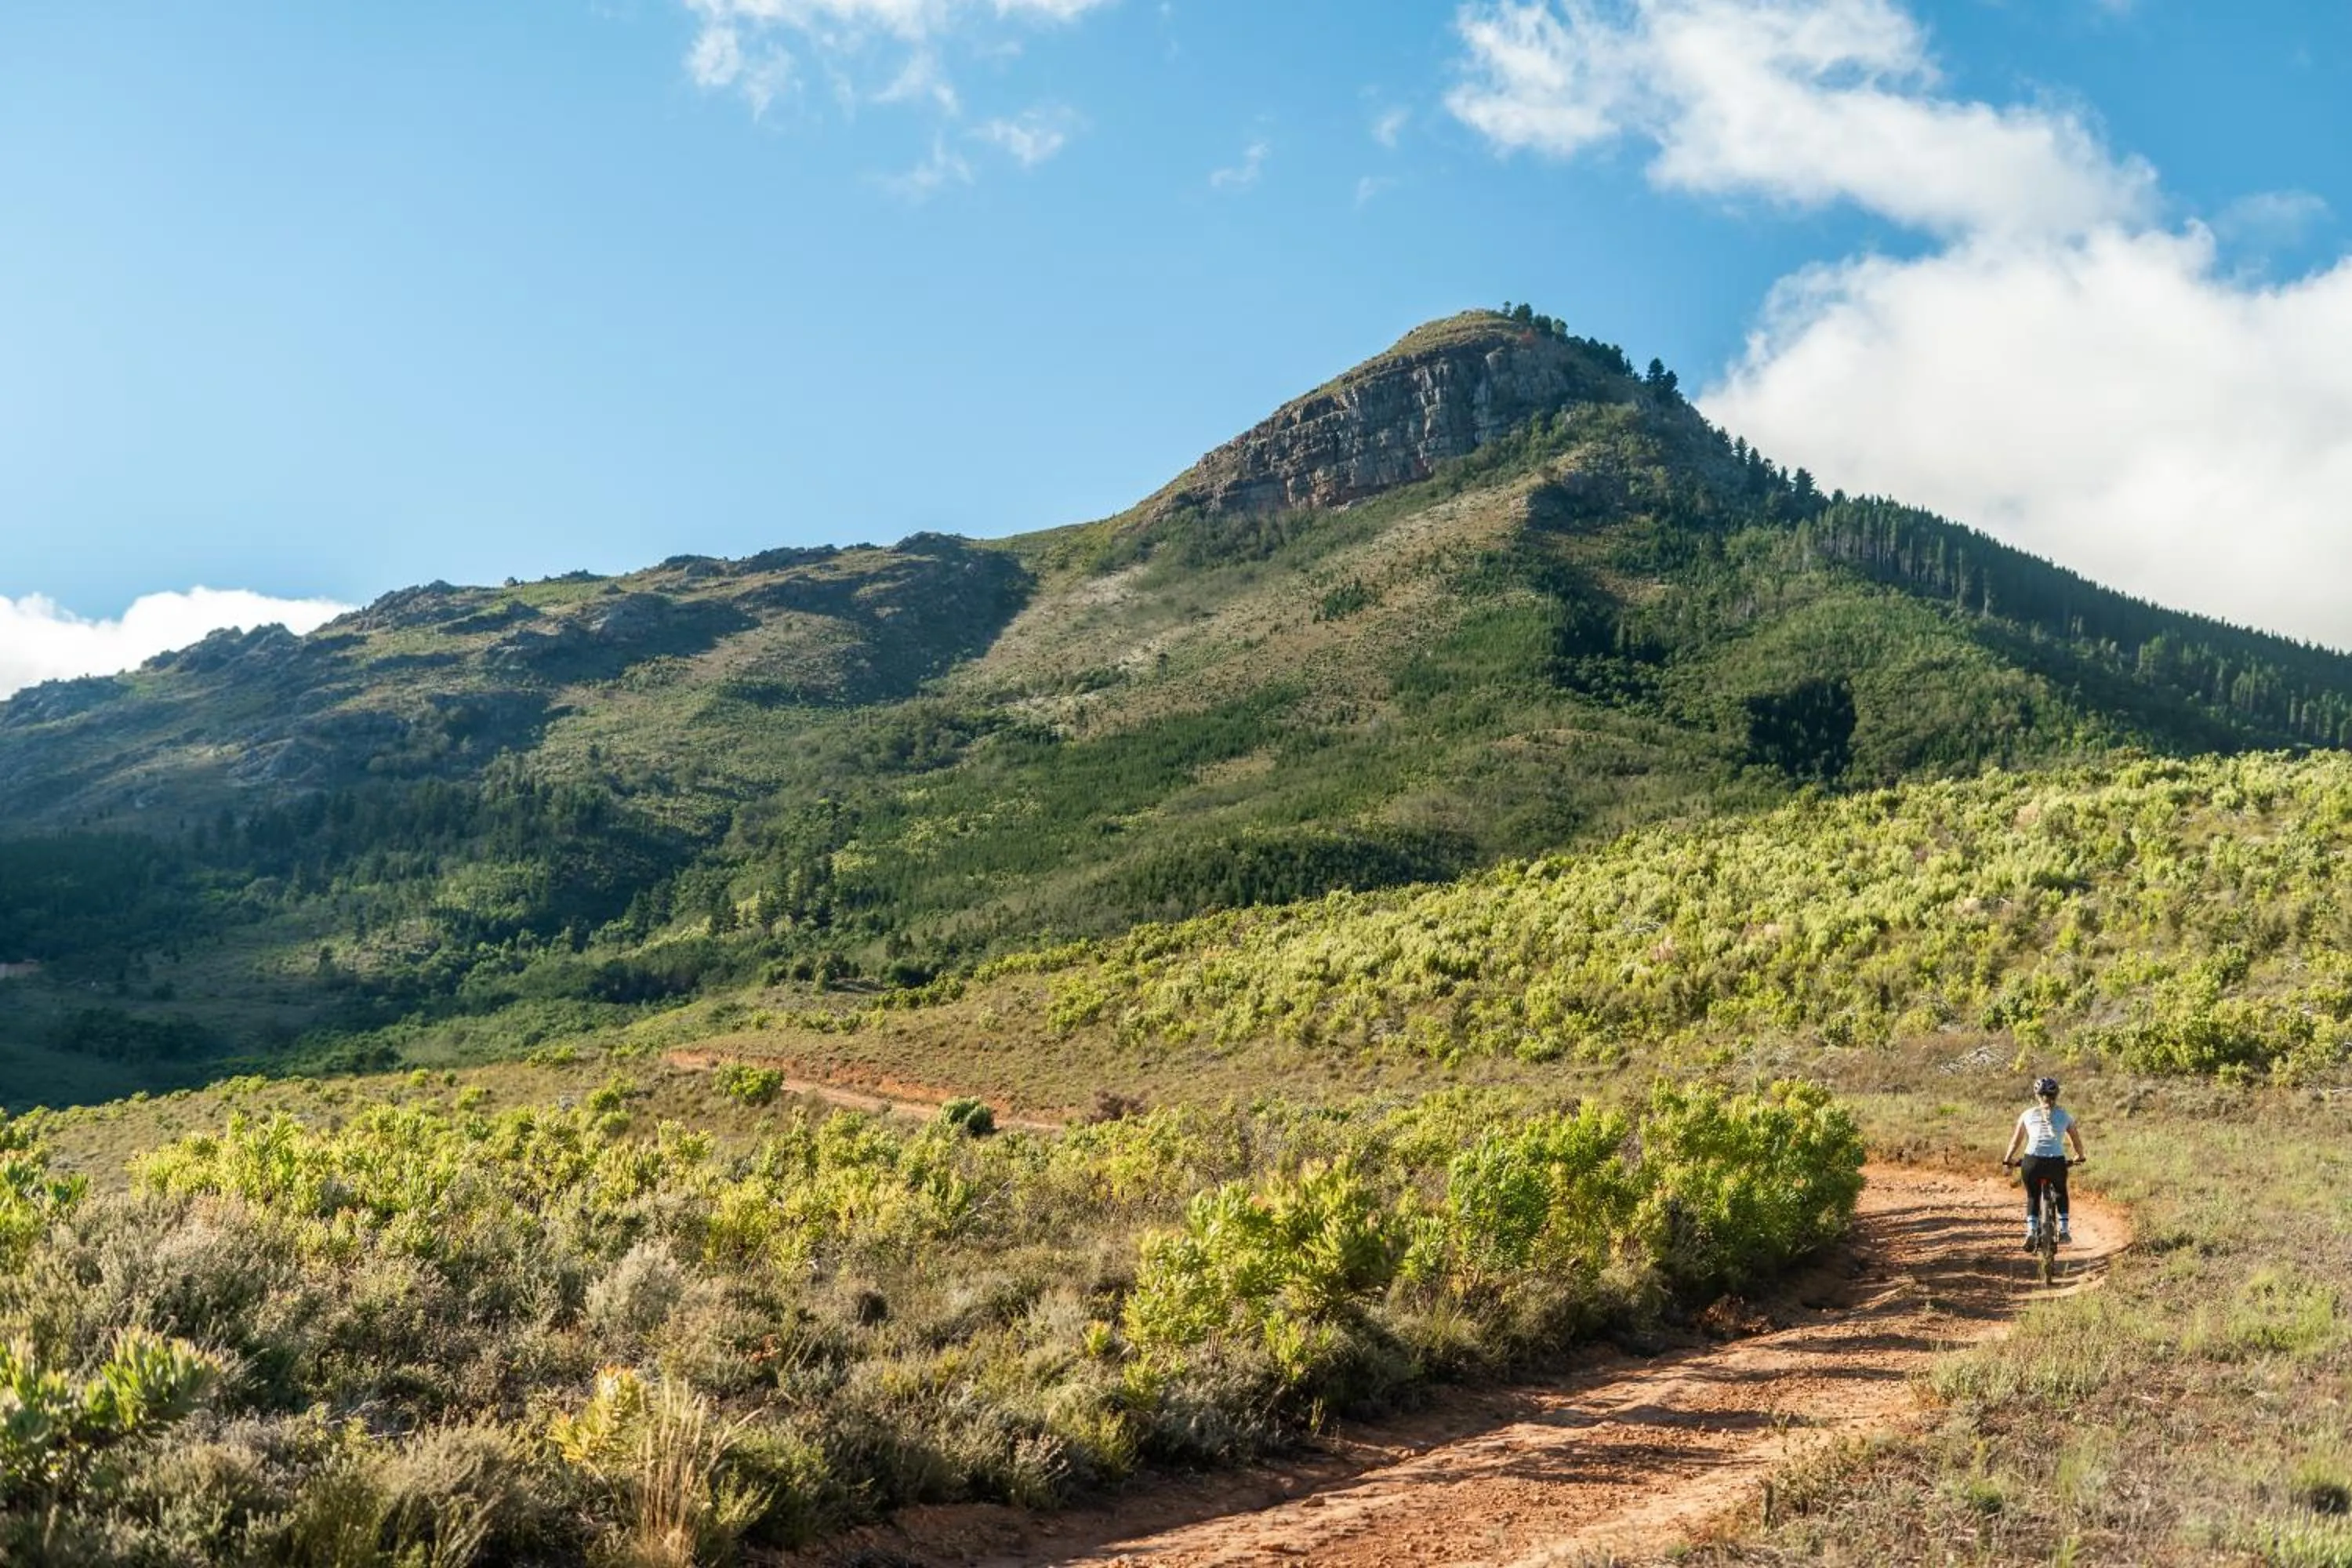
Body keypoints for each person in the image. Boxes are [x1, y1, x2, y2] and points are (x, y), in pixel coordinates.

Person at [2002, 1076, 2087, 1247]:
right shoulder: (2065, 1116)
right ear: (2057, 1095)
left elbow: (2015, 1141)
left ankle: (2031, 1231)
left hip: (2032, 1162)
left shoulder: (2027, 1115)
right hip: (2056, 1162)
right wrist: (2079, 1156)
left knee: (2033, 1195)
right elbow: (2076, 1142)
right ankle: (2064, 1230)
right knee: (2061, 1191)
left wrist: (2008, 1159)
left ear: (2037, 1096)